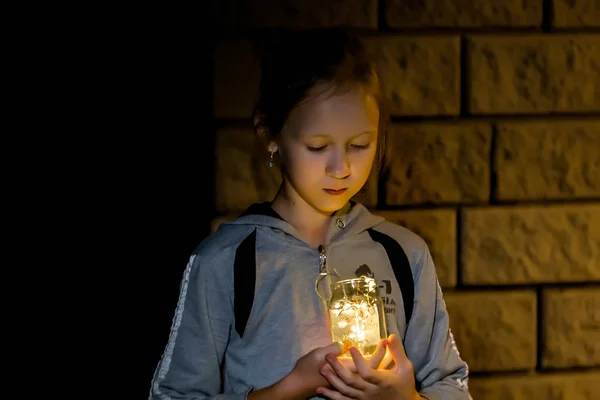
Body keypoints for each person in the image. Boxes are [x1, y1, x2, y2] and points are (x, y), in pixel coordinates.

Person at [149, 27, 471, 400]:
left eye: (360, 145)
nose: (341, 167)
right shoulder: (224, 262)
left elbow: (453, 387)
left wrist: (404, 398)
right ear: (270, 134)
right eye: (318, 147)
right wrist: (289, 389)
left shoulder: (404, 254)